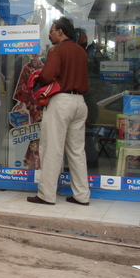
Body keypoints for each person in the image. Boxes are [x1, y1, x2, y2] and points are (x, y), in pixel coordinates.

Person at [27, 16, 90, 206]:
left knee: (52, 148)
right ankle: (82, 195)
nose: (49, 34)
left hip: (61, 101)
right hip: (80, 102)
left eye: (52, 30)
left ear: (61, 31)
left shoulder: (57, 49)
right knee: (77, 151)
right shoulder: (81, 51)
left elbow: (47, 76)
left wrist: (37, 78)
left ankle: (46, 194)